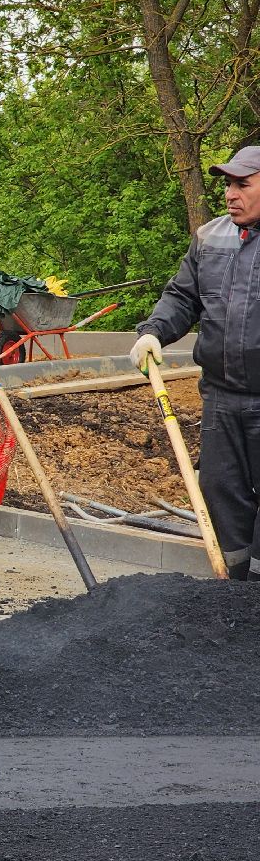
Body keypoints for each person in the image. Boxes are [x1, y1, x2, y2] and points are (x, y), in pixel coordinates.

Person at [130, 144, 260, 581]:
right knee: (220, 490)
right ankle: (235, 589)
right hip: (221, 397)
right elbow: (183, 297)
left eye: (243, 183)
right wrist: (153, 331)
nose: (230, 193)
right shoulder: (211, 238)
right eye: (227, 183)